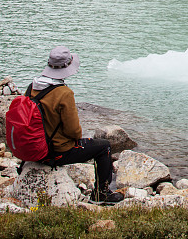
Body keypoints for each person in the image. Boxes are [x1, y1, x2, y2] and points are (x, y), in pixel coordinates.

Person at [30, 46, 124, 204]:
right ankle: (101, 193)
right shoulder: (63, 93)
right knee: (104, 147)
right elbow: (73, 131)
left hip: (36, 148)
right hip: (55, 152)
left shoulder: (33, 87)